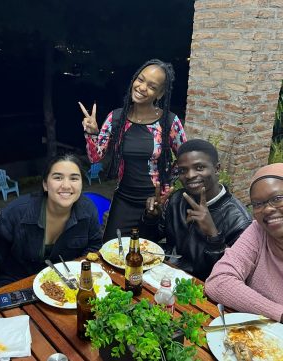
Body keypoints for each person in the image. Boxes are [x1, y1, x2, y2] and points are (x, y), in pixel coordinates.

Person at [79, 59, 186, 242]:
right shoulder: (116, 118)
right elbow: (96, 157)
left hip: (153, 204)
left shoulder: (169, 122)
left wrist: (166, 186)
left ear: (159, 94)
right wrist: (92, 134)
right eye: (140, 79)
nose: (142, 87)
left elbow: (185, 160)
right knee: (111, 250)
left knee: (146, 257)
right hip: (124, 201)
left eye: (152, 86)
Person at [0, 153, 102, 296]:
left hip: (62, 282)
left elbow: (94, 245)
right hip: (14, 281)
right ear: (45, 184)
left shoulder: (88, 210)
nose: (66, 185)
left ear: (81, 183)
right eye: (58, 177)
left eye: (74, 178)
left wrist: (80, 272)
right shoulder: (18, 211)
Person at [142, 139, 252, 280]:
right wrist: (151, 218)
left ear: (217, 169)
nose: (190, 175)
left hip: (199, 292)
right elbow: (148, 242)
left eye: (199, 168)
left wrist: (213, 236)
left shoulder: (239, 221)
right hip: (164, 276)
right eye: (183, 170)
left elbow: (230, 277)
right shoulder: (177, 199)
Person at [205, 163, 283, 322]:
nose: (267, 209)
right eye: (258, 204)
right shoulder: (258, 230)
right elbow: (218, 281)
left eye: (276, 199)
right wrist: (278, 313)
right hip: (256, 336)